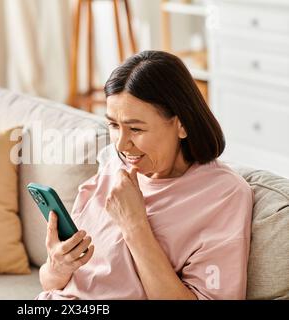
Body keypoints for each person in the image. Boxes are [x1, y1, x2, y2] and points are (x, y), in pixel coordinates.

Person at [36, 50, 253, 300]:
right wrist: (58, 266)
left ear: (182, 124)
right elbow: (49, 282)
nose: (121, 144)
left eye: (136, 129)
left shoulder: (224, 195)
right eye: (114, 126)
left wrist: (134, 224)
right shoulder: (112, 165)